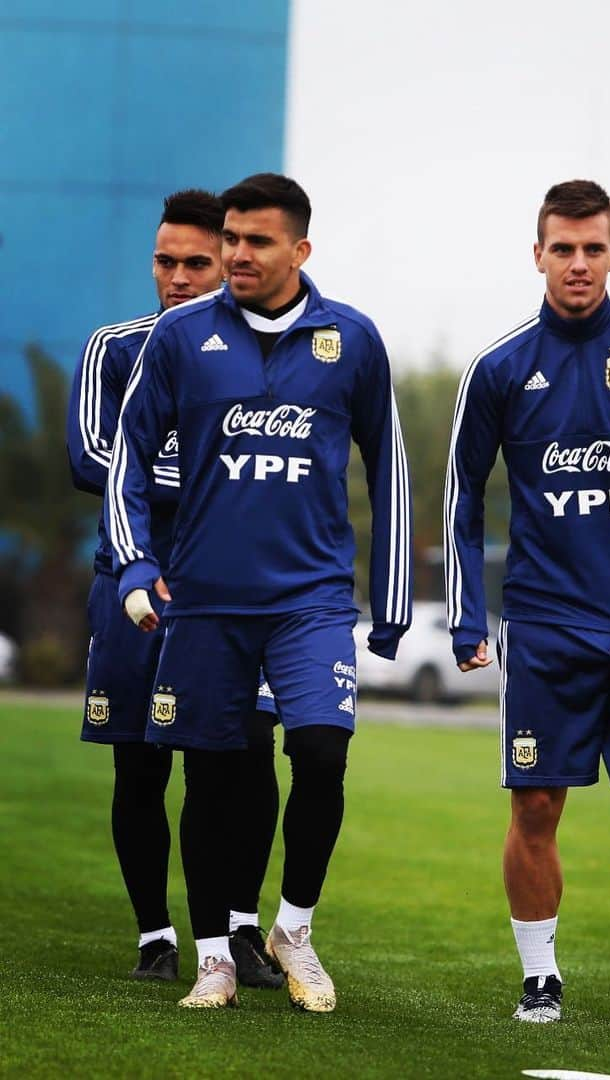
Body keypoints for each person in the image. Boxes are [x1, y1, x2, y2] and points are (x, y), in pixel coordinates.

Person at [106, 173, 412, 1010]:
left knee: (320, 754)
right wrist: (136, 566)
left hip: (310, 600)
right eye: (231, 239)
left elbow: (390, 467)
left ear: (300, 250)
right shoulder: (179, 338)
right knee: (210, 778)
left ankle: (294, 928)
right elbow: (127, 460)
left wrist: (393, 600)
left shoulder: (350, 340)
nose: (237, 254)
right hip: (203, 601)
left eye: (256, 241)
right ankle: (213, 959)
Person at [445, 180, 610, 1033]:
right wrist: (465, 611)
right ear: (538, 255)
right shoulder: (498, 367)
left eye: (594, 248)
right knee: (535, 806)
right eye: (563, 248)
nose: (578, 263)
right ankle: (540, 979)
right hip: (545, 623)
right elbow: (461, 491)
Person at [65, 189, 282, 989]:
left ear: (227, 261)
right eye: (168, 261)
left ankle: (241, 931)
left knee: (247, 757)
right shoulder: (113, 349)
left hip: (235, 590)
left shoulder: (264, 352)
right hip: (132, 582)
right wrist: (205, 482)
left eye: (198, 261)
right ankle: (156, 935)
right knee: (138, 765)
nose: (181, 276)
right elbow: (92, 457)